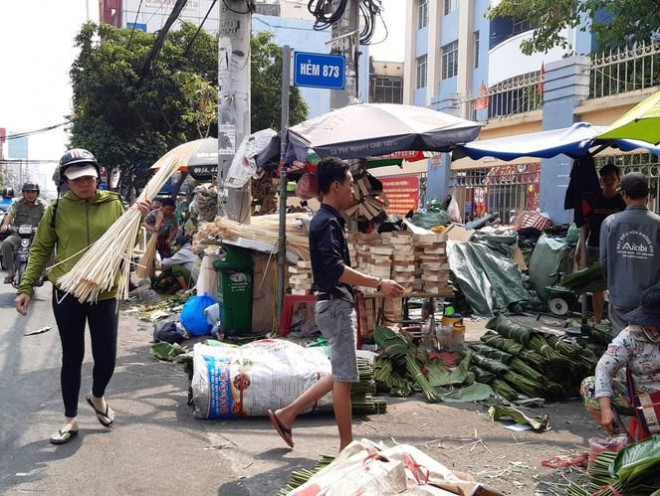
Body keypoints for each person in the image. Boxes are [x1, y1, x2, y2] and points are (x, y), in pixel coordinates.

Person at [267, 157, 405, 452]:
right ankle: (346, 447)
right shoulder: (327, 221)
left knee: (342, 372)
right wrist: (379, 284)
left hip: (334, 305)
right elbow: (335, 269)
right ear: (336, 186)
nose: (354, 191)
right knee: (344, 377)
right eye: (351, 184)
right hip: (335, 306)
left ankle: (286, 414)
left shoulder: (328, 220)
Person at [14, 148, 150, 445]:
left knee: (106, 358)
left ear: (98, 175)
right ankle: (70, 420)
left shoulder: (114, 203)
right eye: (77, 180)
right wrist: (26, 288)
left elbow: (127, 239)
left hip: (105, 291)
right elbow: (39, 250)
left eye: (89, 177)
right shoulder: (56, 210)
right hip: (68, 292)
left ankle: (98, 396)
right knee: (72, 357)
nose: (85, 184)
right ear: (65, 181)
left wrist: (139, 218)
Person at [580, 285, 660, 438]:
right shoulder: (630, 336)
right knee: (589, 386)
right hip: (640, 394)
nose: (655, 330)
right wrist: (605, 409)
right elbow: (604, 368)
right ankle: (626, 447)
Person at [600, 172, 660, 335]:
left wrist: (613, 285)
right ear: (647, 193)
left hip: (620, 296)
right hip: (651, 302)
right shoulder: (657, 224)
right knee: (649, 344)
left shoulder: (610, 223)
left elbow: (604, 263)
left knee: (622, 343)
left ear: (624, 194)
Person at [575, 163, 626, 324]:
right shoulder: (594, 200)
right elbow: (586, 226)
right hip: (594, 247)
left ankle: (616, 320)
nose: (609, 181)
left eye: (612, 178)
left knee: (617, 286)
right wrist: (579, 248)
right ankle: (597, 320)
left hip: (616, 250)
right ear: (601, 180)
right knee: (597, 287)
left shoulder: (622, 202)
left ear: (618, 180)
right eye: (606, 178)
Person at [0, 181, 48, 283]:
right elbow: (10, 215)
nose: (30, 194)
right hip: (18, 235)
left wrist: (44, 229)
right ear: (23, 193)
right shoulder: (17, 203)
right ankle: (10, 271)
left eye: (33, 192)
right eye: (27, 192)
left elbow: (46, 219)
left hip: (37, 236)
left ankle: (45, 271)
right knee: (6, 243)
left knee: (49, 245)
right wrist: (5, 225)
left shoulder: (42, 205)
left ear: (37, 193)